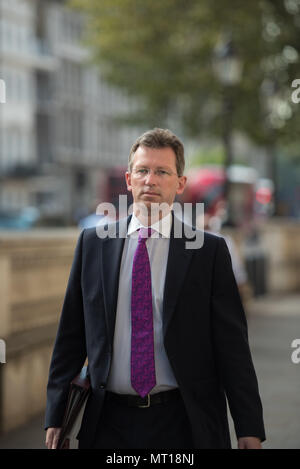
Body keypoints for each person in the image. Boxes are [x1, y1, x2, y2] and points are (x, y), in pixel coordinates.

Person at [45, 128, 265, 449]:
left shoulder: (208, 252)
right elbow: (69, 339)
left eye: (162, 171)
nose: (150, 180)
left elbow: (233, 348)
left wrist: (249, 426)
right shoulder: (93, 245)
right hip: (106, 424)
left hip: (184, 424)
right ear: (129, 179)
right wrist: (56, 415)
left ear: (179, 183)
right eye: (142, 170)